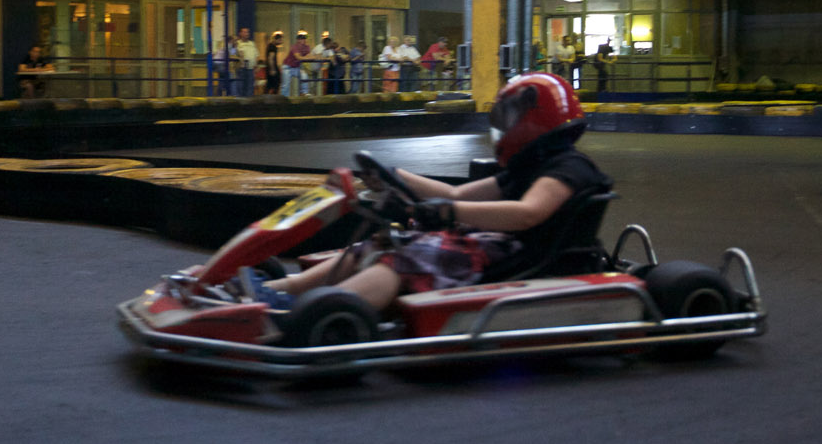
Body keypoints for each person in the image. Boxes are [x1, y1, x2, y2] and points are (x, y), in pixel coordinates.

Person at [240, 73, 611, 313]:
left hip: (521, 255)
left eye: (508, 119)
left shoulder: (569, 167)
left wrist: (450, 214)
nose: (503, 128)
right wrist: (395, 176)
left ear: (533, 117)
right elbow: (456, 194)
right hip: (494, 245)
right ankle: (278, 291)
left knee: (407, 256)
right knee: (385, 242)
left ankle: (316, 311)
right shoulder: (527, 167)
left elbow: (529, 213)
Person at [282, 30, 312, 96]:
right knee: (286, 85)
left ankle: (305, 93)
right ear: (298, 40)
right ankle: (284, 98)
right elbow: (298, 57)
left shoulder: (306, 47)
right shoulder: (294, 47)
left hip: (296, 67)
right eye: (301, 39)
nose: (303, 41)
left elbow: (309, 56)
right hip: (287, 67)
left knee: (304, 75)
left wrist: (309, 57)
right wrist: (306, 57)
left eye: (304, 39)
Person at [233, 26, 259, 97]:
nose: (246, 34)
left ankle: (249, 100)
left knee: (250, 86)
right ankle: (241, 100)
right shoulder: (237, 43)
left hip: (251, 68)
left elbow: (256, 54)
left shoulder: (252, 43)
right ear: (240, 33)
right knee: (241, 86)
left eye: (247, 32)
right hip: (241, 68)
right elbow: (233, 54)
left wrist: (256, 65)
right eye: (244, 32)